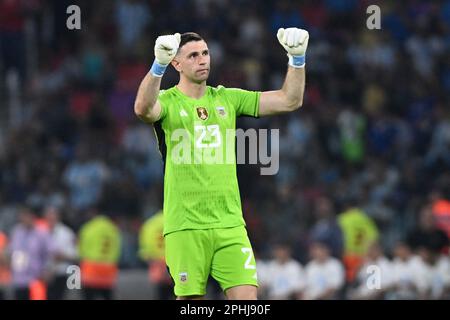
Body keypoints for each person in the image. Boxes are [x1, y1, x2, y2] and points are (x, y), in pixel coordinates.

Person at [134, 28, 309, 300]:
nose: (202, 59)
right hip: (186, 225)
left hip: (230, 225)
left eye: (205, 53)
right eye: (193, 55)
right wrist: (158, 65)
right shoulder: (167, 102)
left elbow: (289, 100)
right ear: (176, 63)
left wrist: (296, 59)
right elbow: (143, 109)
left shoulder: (227, 97)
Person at [9, 206, 53, 300]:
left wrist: (47, 269)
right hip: (19, 278)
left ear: (32, 217)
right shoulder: (17, 231)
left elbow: (50, 253)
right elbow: (12, 251)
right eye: (21, 217)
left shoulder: (41, 232)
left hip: (36, 278)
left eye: (26, 216)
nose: (23, 219)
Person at [78, 206, 121, 300]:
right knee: (107, 296)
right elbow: (117, 247)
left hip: (91, 267)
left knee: (88, 296)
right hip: (108, 268)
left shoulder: (88, 227)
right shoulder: (113, 228)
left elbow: (81, 248)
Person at [44, 206, 78, 300]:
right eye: (48, 215)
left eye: (53, 215)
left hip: (61, 273)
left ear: (58, 216)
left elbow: (75, 254)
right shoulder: (41, 231)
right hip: (43, 274)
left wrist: (62, 256)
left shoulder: (66, 233)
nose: (50, 217)